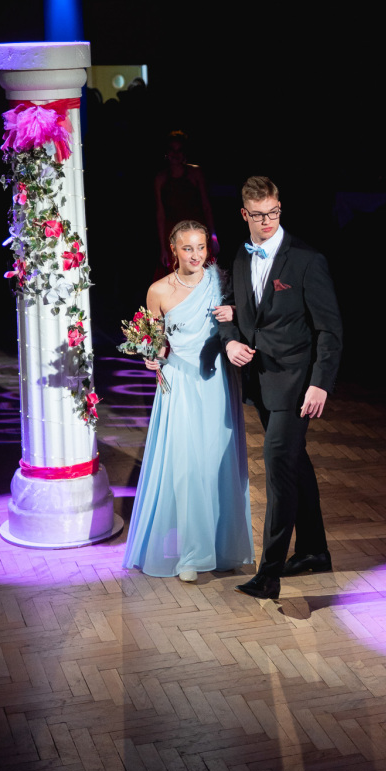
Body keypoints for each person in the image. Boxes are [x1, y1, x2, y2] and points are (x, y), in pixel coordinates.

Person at [218, 176, 343, 600]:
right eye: (258, 215)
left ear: (279, 209)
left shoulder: (307, 260)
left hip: (296, 385)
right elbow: (232, 310)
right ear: (244, 214)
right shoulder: (241, 255)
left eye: (273, 212)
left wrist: (320, 384)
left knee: (277, 466)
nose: (267, 221)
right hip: (260, 381)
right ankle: (313, 550)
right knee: (294, 461)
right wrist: (231, 340)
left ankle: (269, 574)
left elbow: (330, 330)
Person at [122, 219, 254, 581]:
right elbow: (155, 340)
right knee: (186, 468)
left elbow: (247, 318)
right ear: (173, 250)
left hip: (216, 381)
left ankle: (223, 548)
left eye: (201, 247)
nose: (196, 255)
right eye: (187, 248)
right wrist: (151, 356)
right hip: (179, 382)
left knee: (217, 464)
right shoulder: (158, 291)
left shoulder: (220, 281)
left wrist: (236, 314)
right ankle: (191, 556)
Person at [154, 131, 218, 272]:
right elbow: (160, 214)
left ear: (184, 153)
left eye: (179, 150)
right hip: (174, 235)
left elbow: (206, 206)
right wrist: (163, 248)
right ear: (167, 153)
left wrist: (213, 237)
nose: (175, 154)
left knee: (199, 273)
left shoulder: (196, 173)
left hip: (196, 233)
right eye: (172, 150)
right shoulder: (161, 178)